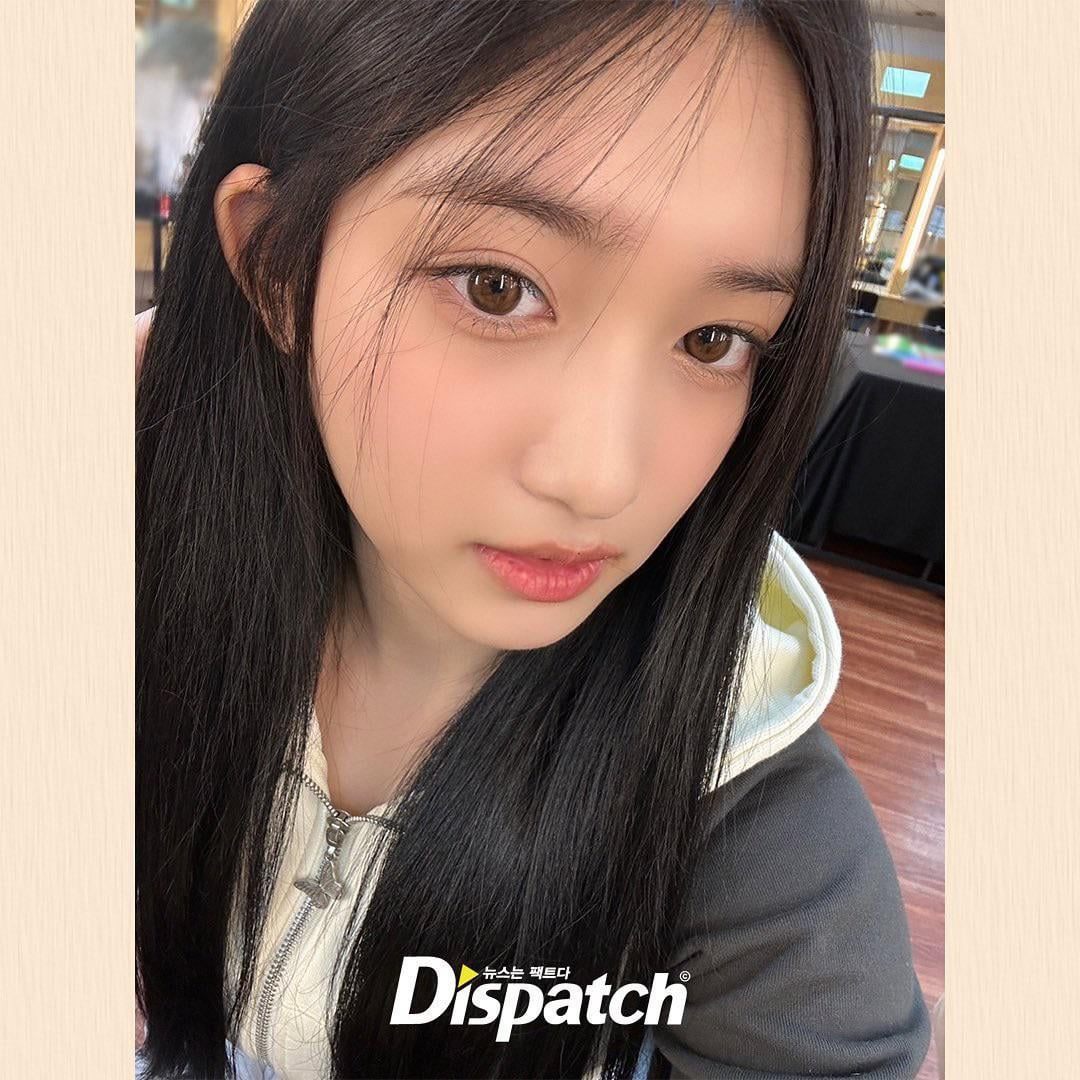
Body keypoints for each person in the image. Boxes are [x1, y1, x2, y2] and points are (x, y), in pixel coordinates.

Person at [135, 2, 932, 1077]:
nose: (600, 478)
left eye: (713, 340)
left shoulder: (752, 830)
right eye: (497, 287)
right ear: (279, 266)